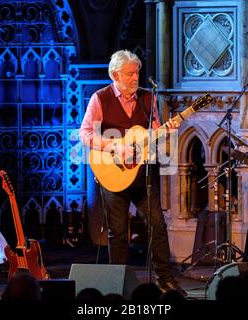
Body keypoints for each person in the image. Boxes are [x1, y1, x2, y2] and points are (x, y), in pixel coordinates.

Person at [79, 49, 185, 295]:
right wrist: (113, 144)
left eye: (137, 73)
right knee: (118, 233)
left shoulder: (148, 99)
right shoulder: (100, 98)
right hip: (112, 172)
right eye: (130, 74)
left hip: (141, 174)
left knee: (157, 225)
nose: (135, 78)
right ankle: (118, 284)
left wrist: (165, 131)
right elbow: (85, 134)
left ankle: (165, 280)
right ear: (115, 75)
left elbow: (154, 129)